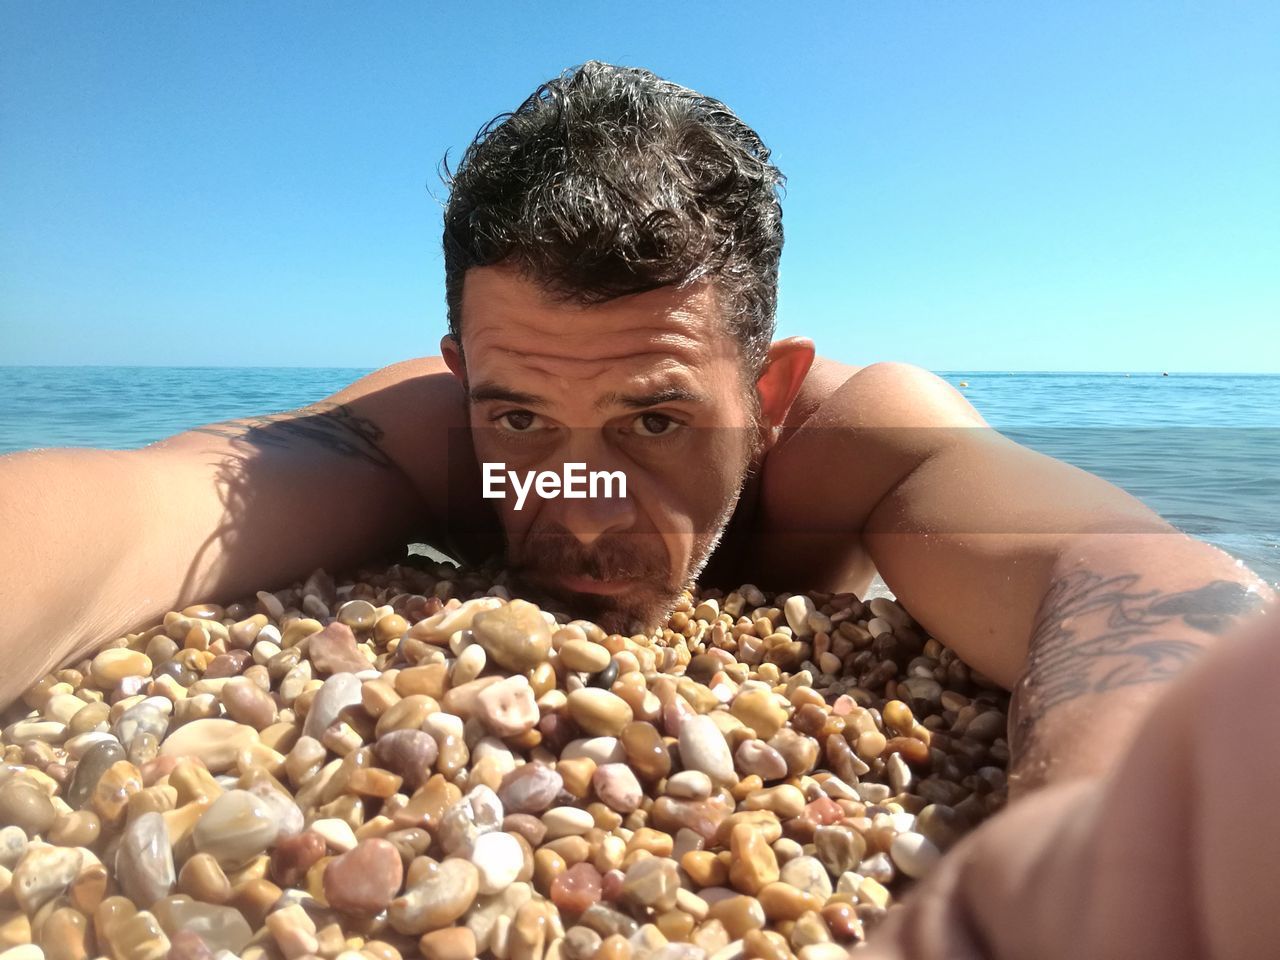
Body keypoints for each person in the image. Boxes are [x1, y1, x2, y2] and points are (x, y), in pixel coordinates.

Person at [0, 61, 1271, 805]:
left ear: (767, 393)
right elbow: (149, 506)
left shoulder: (858, 444)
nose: (579, 497)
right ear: (462, 374)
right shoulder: (429, 430)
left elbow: (1126, 579)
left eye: (654, 419)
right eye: (520, 415)